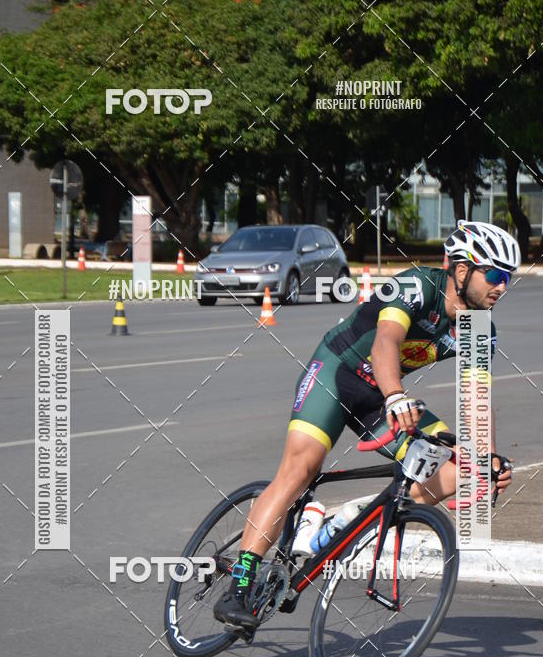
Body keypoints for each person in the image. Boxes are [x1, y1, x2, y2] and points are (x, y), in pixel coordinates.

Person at [214, 220, 519, 628]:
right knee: (300, 470)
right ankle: (240, 580)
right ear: (463, 271)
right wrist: (395, 397)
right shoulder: (415, 286)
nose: (502, 287)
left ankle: (345, 521)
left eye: (508, 278)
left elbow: (478, 400)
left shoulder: (480, 327)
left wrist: (486, 460)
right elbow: (385, 341)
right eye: (495, 275)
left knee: (458, 471)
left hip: (380, 397)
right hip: (337, 374)